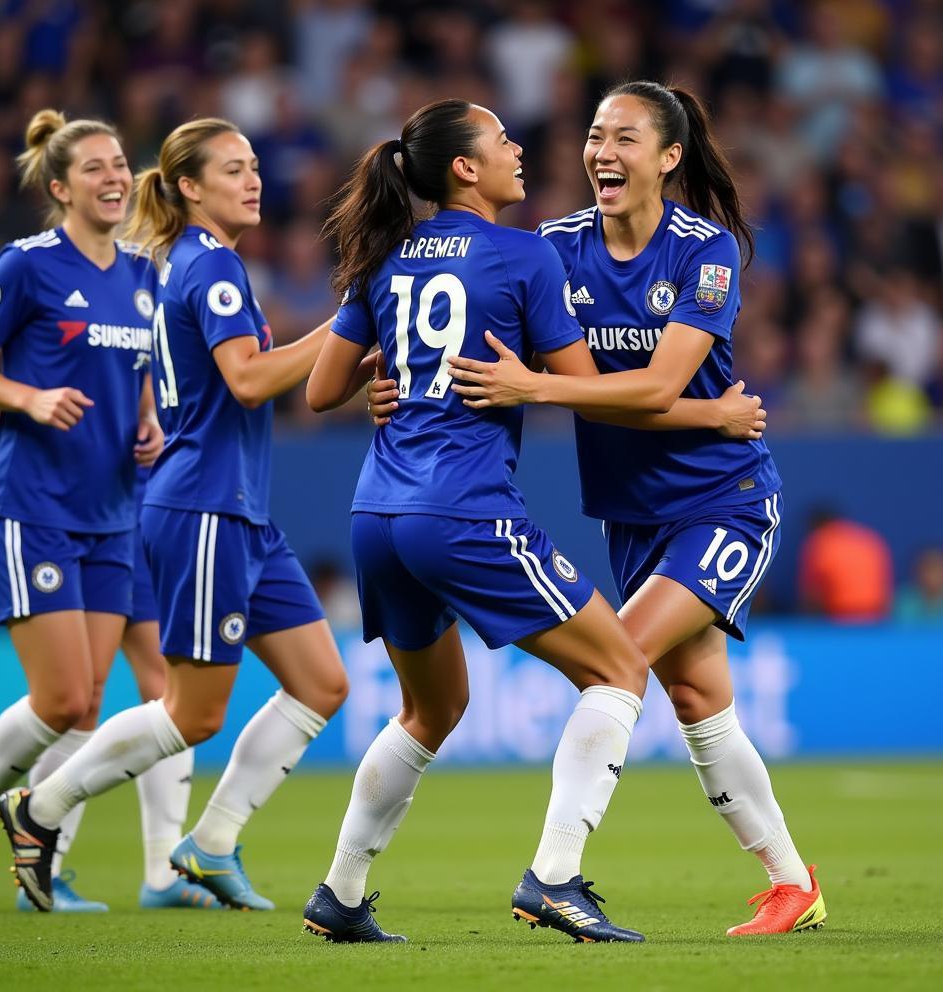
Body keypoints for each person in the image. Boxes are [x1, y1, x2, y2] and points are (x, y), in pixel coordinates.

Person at [301, 98, 765, 946]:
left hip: (377, 509)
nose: (524, 149)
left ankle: (340, 892)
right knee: (620, 668)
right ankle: (553, 879)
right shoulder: (525, 255)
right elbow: (606, 393)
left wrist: (390, 371)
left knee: (430, 711)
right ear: (466, 169)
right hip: (463, 510)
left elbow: (320, 392)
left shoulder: (384, 253)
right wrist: (711, 418)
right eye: (503, 140)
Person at [446, 81, 827, 937]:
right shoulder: (552, 248)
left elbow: (654, 386)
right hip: (630, 515)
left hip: (721, 502)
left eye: (624, 138)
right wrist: (396, 380)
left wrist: (532, 386)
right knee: (694, 697)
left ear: (667, 158)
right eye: (593, 134)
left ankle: (552, 872)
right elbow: (471, 335)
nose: (601, 152)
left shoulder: (707, 251)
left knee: (616, 659)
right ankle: (792, 881)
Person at [0, 117, 359, 914]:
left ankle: (211, 842)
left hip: (240, 513)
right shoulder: (212, 270)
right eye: (234, 169)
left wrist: (357, 361)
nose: (254, 179)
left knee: (323, 681)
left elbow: (261, 382)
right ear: (190, 187)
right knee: (192, 713)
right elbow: (253, 381)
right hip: (200, 511)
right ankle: (39, 808)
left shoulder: (209, 266)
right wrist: (345, 325)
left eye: (256, 165)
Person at [0, 110, 165, 914]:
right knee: (63, 699)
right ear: (60, 187)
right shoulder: (26, 265)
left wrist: (146, 421)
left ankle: (44, 870)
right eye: (94, 168)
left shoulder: (142, 275)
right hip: (32, 505)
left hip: (110, 511)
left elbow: (134, 374)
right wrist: (26, 395)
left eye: (119, 164)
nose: (113, 178)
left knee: (89, 704)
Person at [0, 409, 215, 910]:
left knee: (164, 687)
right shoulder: (64, 345)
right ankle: (37, 865)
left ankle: (159, 870)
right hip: (76, 524)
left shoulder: (142, 344)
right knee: (79, 697)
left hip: (137, 522)